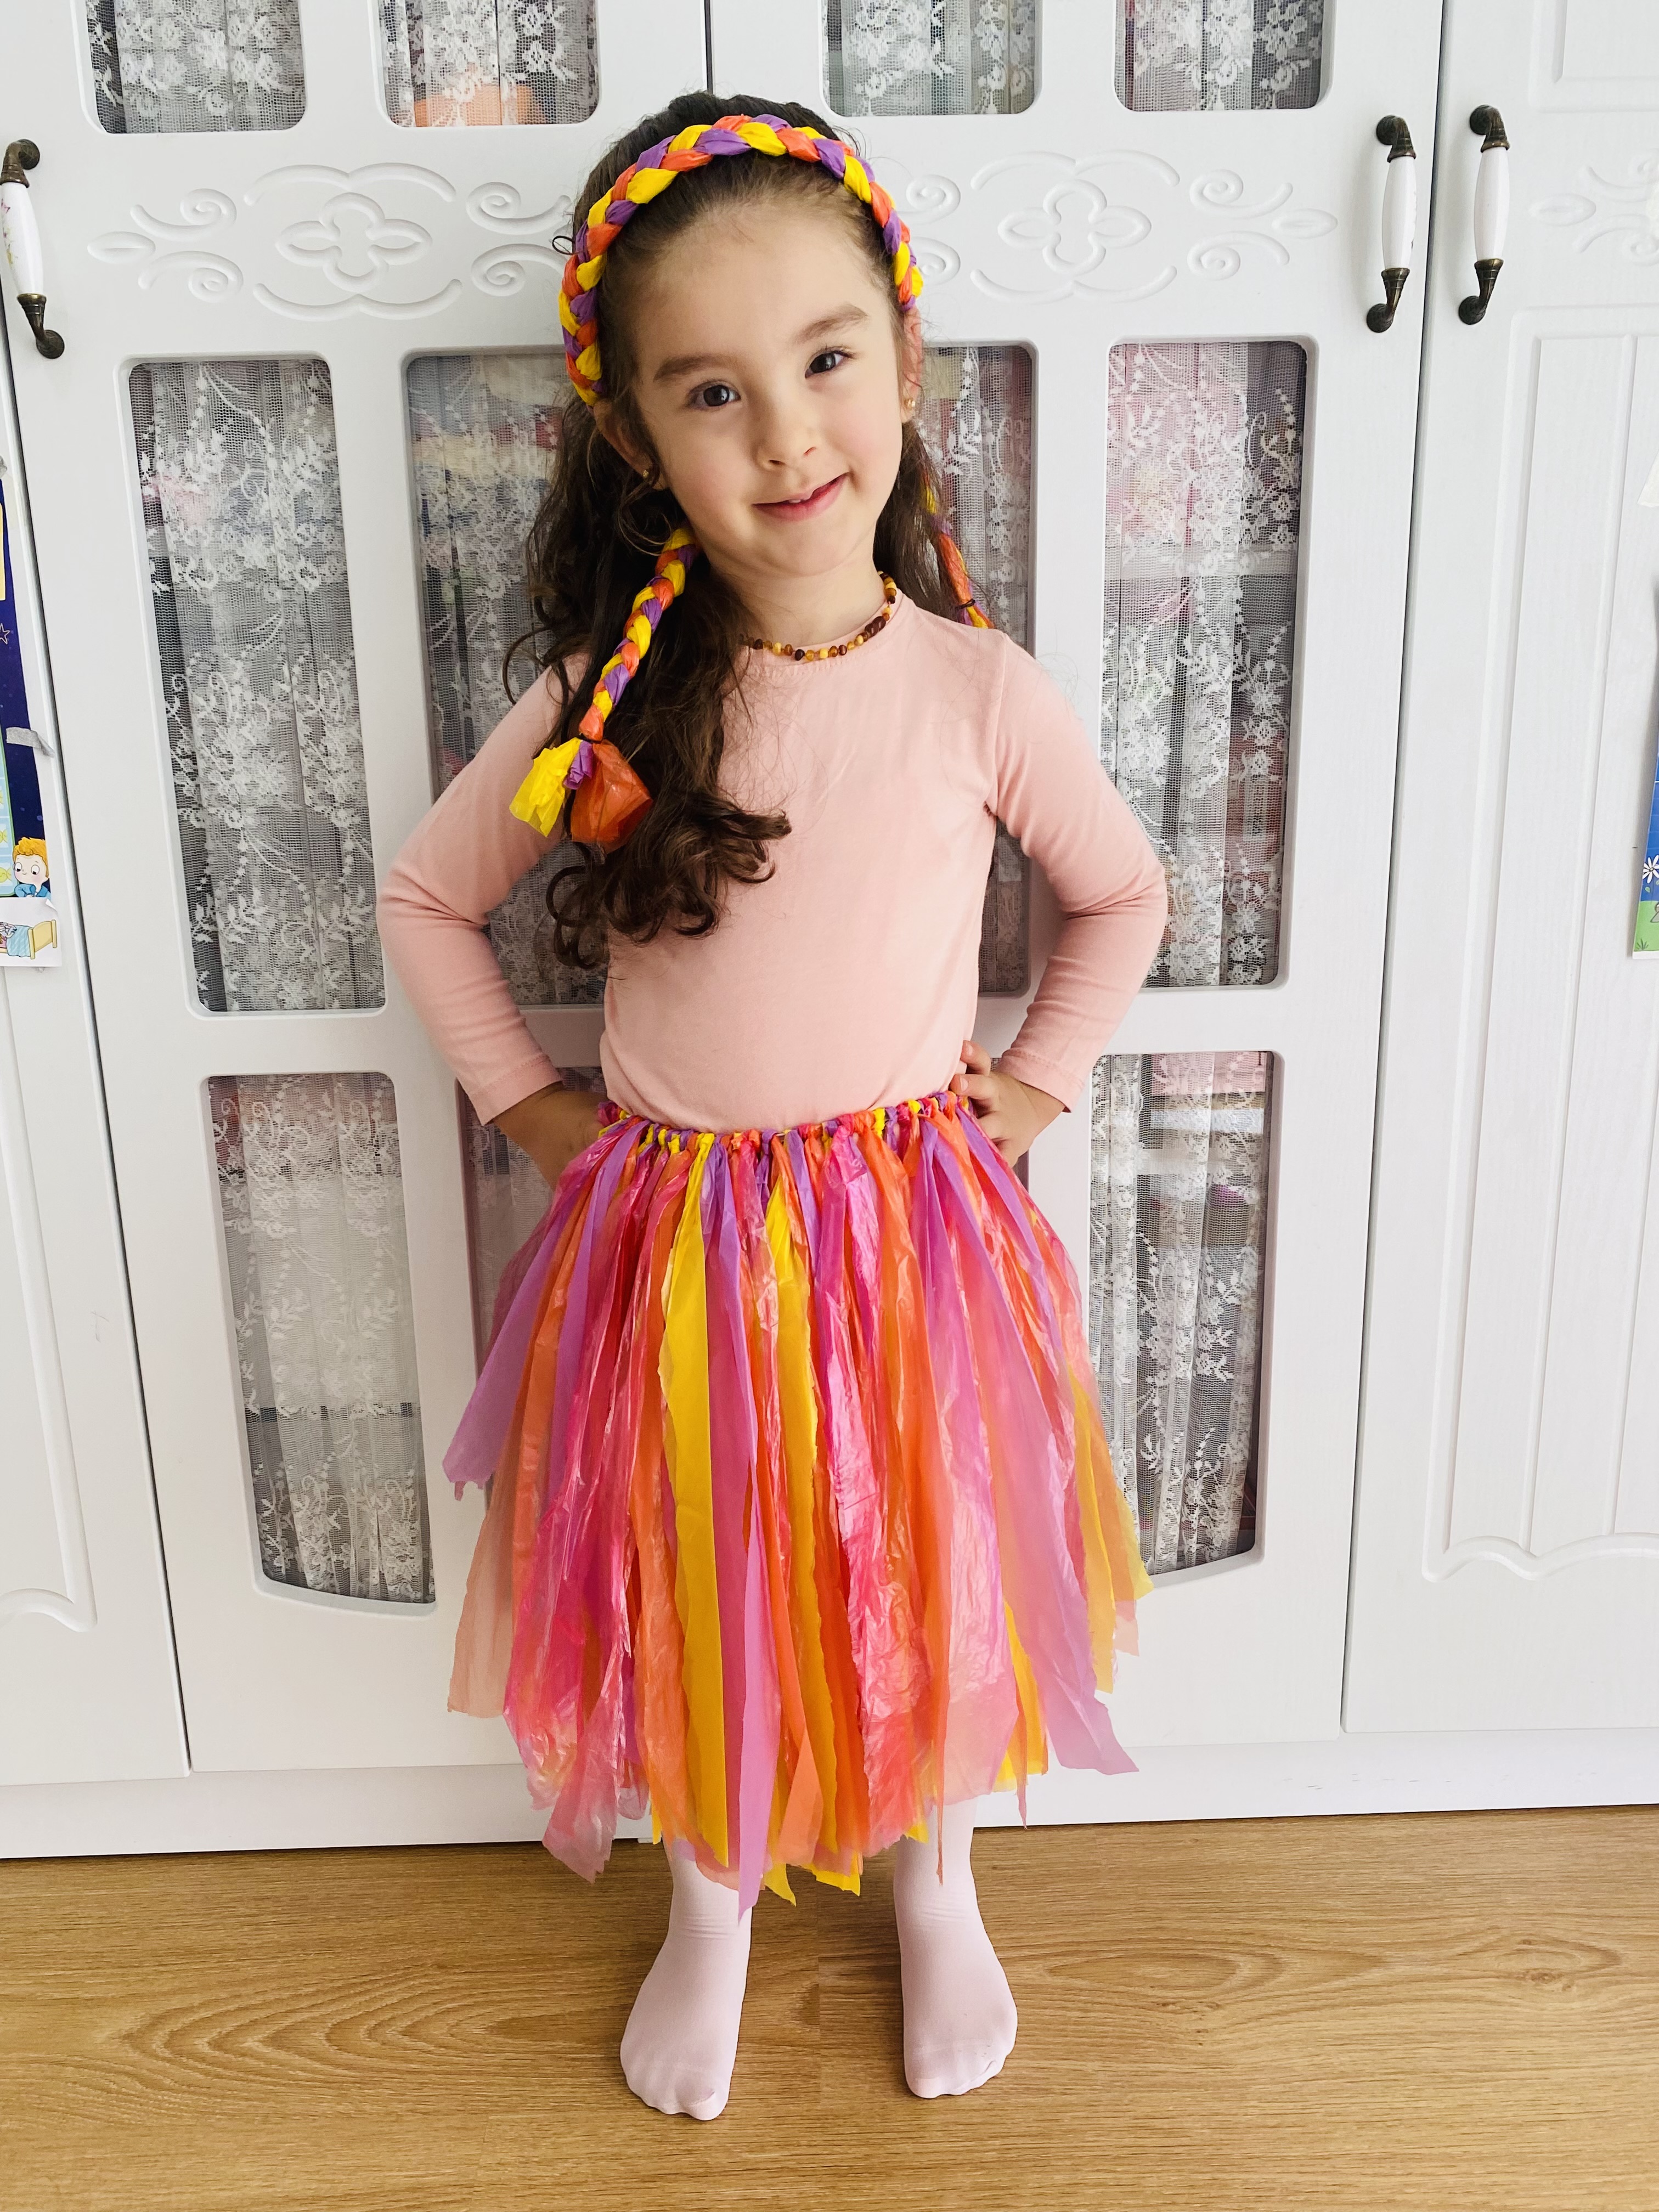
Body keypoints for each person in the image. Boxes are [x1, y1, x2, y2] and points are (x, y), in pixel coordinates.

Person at [376, 91, 1169, 2123]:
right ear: (638, 438)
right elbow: (427, 899)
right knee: (700, 1568)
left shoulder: (977, 691)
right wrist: (536, 1116)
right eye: (713, 391)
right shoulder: (608, 698)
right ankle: (710, 1899)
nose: (790, 434)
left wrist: (1032, 1087)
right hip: (681, 1251)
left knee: (935, 1556)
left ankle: (938, 1882)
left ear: (906, 360)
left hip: (914, 1236)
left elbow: (1123, 893)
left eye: (827, 360)